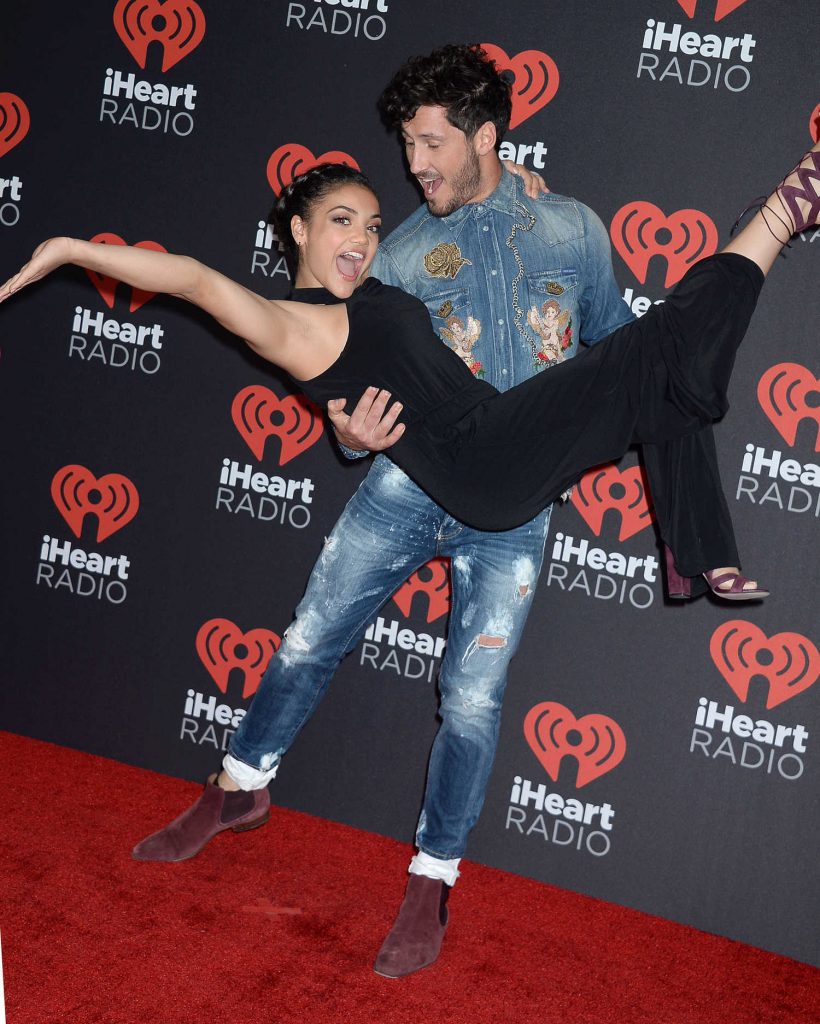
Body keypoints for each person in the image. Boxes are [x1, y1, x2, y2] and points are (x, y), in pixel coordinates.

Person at [3, 135, 818, 966]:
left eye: (371, 219)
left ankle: (433, 878)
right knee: (309, 640)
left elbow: (469, 262)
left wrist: (522, 193)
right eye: (339, 221)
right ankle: (236, 789)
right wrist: (70, 250)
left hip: (500, 474)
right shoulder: (287, 321)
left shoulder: (384, 280)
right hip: (451, 472)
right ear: (295, 231)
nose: (361, 235)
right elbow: (193, 279)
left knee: (660, 371)